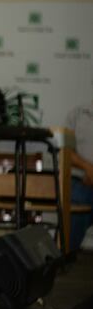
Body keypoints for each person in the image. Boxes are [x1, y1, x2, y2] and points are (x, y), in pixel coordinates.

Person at [65, 101, 93, 251]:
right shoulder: (78, 113)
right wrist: (87, 167)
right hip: (80, 180)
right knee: (79, 197)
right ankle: (66, 255)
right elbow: (65, 151)